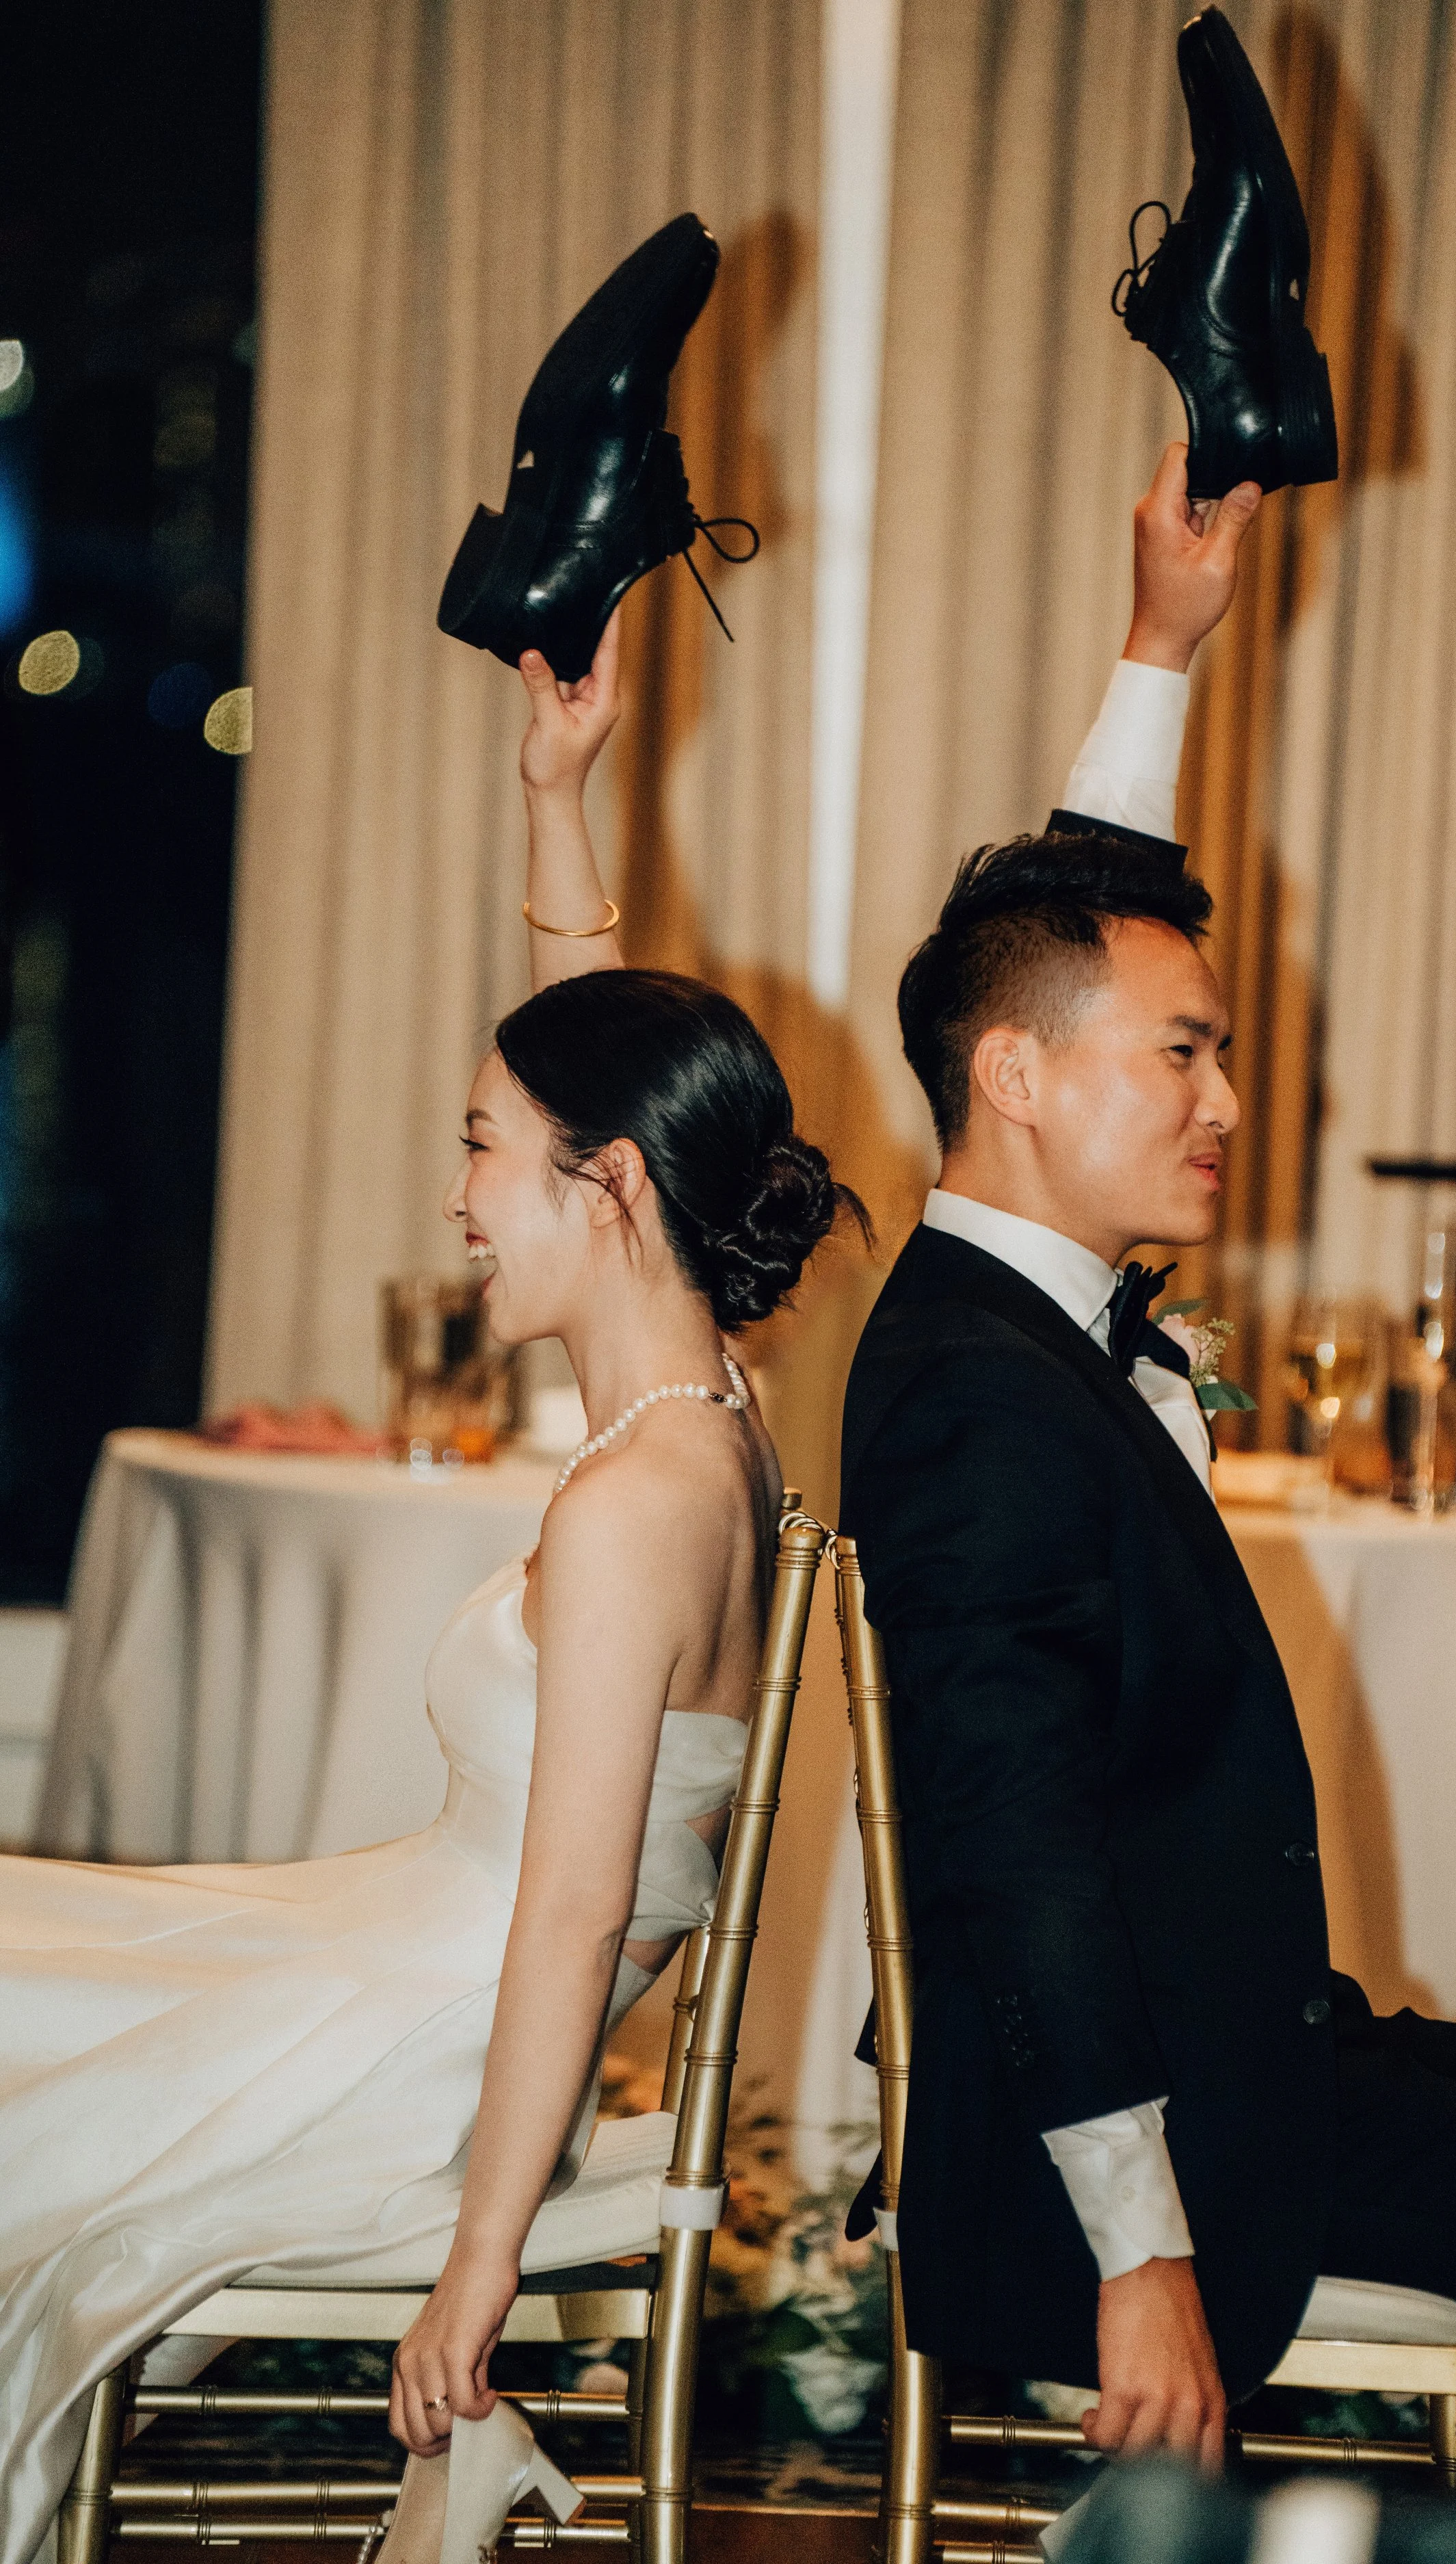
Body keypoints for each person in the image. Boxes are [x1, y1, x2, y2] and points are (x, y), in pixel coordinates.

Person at [840, 441, 1456, 2477]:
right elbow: (1014, 1845)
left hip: (1269, 2053)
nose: (1231, 1094)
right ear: (1021, 1082)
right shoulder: (979, 1393)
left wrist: (1161, 647)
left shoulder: (1013, 1308)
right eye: (1187, 1053)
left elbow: (1065, 932)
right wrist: (1137, 2256)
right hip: (1164, 2142)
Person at [0, 623, 859, 2564]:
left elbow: (567, 1916)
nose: (463, 1194)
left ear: (611, 1186)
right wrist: (554, 793)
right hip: (395, 1959)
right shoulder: (691, 1400)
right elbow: (595, 1056)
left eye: (486, 1151)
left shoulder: (648, 1491)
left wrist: (475, 2272)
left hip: (424, 2031)